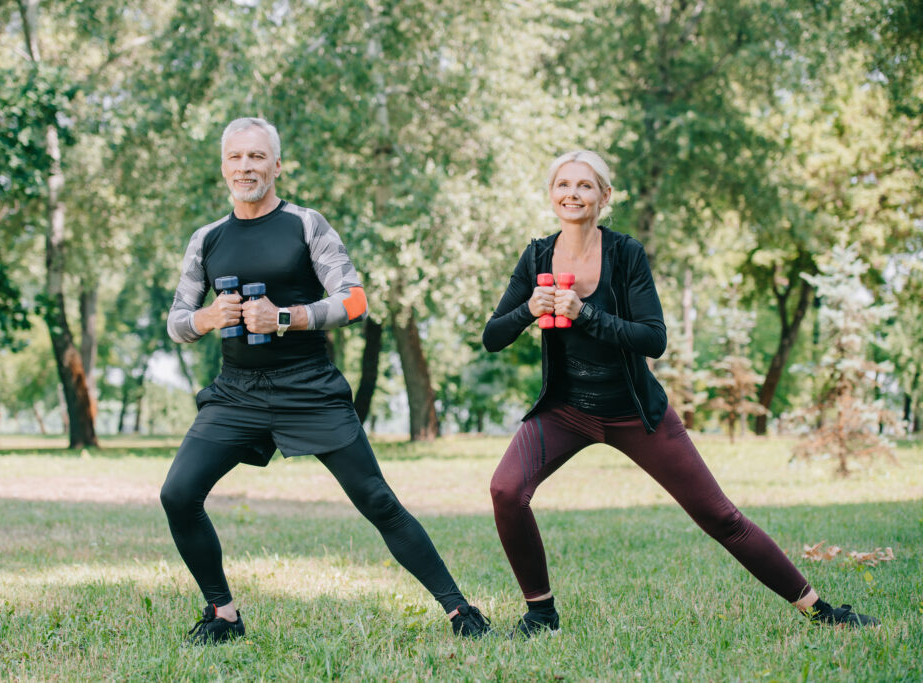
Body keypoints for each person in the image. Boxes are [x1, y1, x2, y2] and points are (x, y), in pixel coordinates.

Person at [483, 150, 880, 637]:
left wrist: (586, 314)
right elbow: (492, 336)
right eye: (563, 185)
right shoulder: (537, 256)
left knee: (721, 517)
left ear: (604, 196)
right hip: (566, 410)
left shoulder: (625, 253)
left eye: (585, 186)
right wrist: (528, 308)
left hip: (636, 414)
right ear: (551, 195)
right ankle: (541, 614)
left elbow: (655, 337)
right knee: (506, 489)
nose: (573, 194)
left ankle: (822, 612)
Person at [162, 117, 491, 644]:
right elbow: (177, 321)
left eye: (256, 157)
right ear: (223, 165)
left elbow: (355, 300)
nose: (245, 167)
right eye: (235, 157)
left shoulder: (306, 224)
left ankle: (461, 613)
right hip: (236, 392)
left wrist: (287, 318)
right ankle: (222, 615)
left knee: (377, 500)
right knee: (178, 495)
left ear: (276, 166)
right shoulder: (207, 239)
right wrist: (205, 319)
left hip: (308, 386)